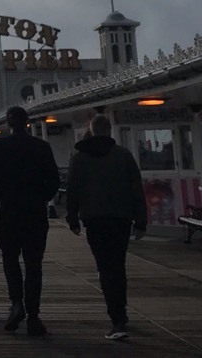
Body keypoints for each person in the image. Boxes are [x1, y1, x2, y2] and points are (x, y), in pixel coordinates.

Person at [66, 114, 147, 341]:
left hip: (94, 220)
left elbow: (72, 190)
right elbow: (136, 190)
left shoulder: (80, 158)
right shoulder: (124, 156)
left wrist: (72, 219)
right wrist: (141, 221)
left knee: (105, 266)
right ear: (110, 130)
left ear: (91, 130)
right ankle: (120, 314)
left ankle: (117, 319)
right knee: (118, 266)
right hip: (121, 219)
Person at [0, 105, 59, 337]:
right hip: (35, 213)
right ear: (27, 123)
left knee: (10, 260)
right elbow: (54, 181)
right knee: (34, 264)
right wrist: (40, 198)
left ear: (8, 124)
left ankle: (16, 303)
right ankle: (34, 315)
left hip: (9, 212)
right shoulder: (41, 147)